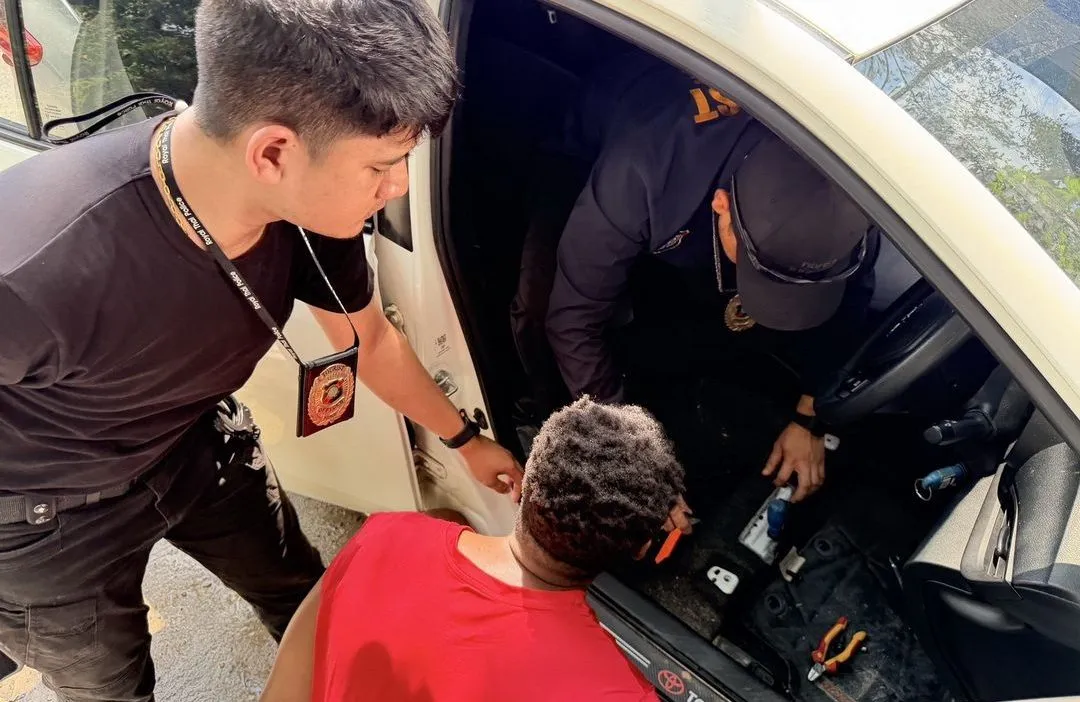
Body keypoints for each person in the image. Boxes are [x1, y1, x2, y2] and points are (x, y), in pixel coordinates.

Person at [0, 1, 523, 699]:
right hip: (45, 516)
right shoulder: (32, 263)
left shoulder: (314, 213)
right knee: (110, 686)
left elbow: (369, 340)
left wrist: (464, 440)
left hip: (194, 440)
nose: (398, 187)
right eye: (384, 165)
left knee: (302, 594)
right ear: (272, 152)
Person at [511, 53, 879, 502]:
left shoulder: (849, 197)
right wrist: (635, 466)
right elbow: (573, 321)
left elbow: (852, 301)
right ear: (721, 207)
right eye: (759, 274)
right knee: (538, 303)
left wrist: (810, 415)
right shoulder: (639, 176)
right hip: (591, 142)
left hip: (699, 179)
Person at [261, 397, 691, 702]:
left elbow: (283, 688)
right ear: (641, 549)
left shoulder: (385, 536)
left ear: (524, 481)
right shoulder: (617, 690)